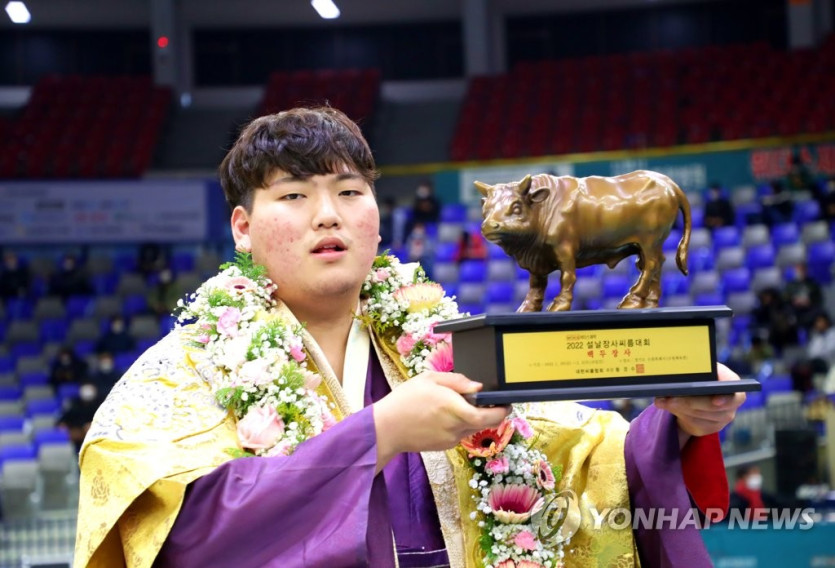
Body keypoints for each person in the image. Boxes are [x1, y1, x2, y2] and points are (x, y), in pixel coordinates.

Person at [74, 107, 745, 568]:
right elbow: (180, 538)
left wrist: (680, 424)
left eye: (349, 191)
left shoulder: (444, 344)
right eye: (293, 197)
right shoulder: (180, 371)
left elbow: (586, 460)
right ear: (242, 228)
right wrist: (379, 432)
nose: (328, 215)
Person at [57, 381, 104, 452]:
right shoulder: (75, 405)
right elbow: (62, 422)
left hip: (96, 437)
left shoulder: (101, 404)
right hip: (76, 438)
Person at [782, 262, 824, 332]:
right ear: (795, 271)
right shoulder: (790, 285)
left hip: (809, 310)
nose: (801, 272)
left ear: (807, 271)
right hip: (795, 311)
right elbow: (785, 299)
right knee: (787, 312)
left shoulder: (812, 284)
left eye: (803, 269)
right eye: (799, 269)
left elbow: (819, 298)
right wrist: (794, 301)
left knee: (818, 312)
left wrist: (809, 301)